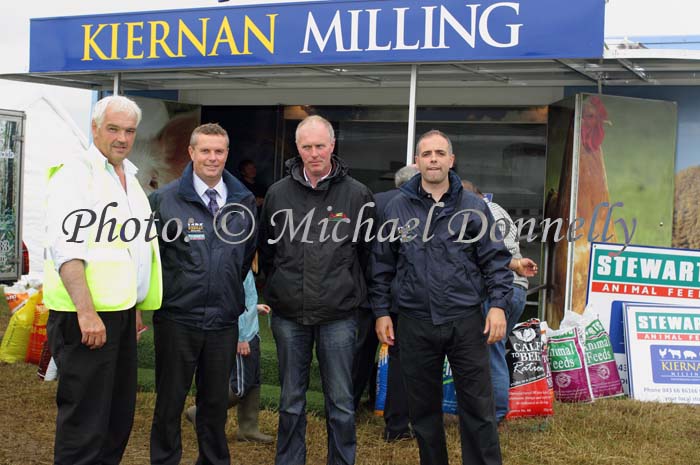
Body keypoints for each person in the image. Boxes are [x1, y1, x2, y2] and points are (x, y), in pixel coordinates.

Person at [371, 130, 513, 465]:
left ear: (451, 160)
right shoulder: (396, 207)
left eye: (439, 153)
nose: (433, 159)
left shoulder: (474, 207)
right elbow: (381, 265)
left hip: (465, 321)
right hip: (415, 320)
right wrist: (381, 311)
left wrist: (497, 306)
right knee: (423, 409)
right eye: (426, 154)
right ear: (417, 162)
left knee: (478, 406)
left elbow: (496, 261)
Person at [44, 95, 162, 465]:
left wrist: (136, 305)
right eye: (113, 129)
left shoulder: (130, 177)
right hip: (88, 317)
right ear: (94, 128)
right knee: (85, 422)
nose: (122, 138)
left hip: (121, 314)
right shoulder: (76, 174)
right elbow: (67, 250)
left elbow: (132, 250)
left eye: (129, 130)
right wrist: (86, 312)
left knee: (116, 417)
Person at [258, 115, 375, 465]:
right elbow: (267, 251)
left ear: (332, 146)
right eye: (307, 147)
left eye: (320, 145)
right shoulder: (278, 194)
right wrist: (280, 286)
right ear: (297, 148)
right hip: (289, 315)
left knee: (340, 402)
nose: (314, 153)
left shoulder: (357, 194)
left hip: (339, 316)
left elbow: (369, 254)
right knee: (291, 401)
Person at [149, 123, 257, 465]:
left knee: (213, 405)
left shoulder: (244, 201)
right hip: (177, 318)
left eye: (219, 151)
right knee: (170, 401)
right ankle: (165, 459)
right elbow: (153, 259)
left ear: (227, 154)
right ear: (191, 152)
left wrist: (225, 293)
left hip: (222, 320)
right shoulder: (163, 200)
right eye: (205, 150)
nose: (213, 158)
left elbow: (243, 258)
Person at [462, 180, 539, 423]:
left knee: (490, 351)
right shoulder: (499, 209)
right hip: (516, 289)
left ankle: (494, 415)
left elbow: (496, 255)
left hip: (500, 289)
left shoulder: (481, 214)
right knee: (495, 347)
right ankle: (494, 412)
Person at [352, 165, 417, 441]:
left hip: (368, 290)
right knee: (400, 359)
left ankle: (347, 409)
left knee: (360, 354)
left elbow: (358, 245)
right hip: (403, 295)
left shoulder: (373, 201)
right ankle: (397, 425)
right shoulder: (418, 205)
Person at [185, 268, 274, 444]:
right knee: (240, 386)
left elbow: (247, 299)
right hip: (243, 336)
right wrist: (241, 338)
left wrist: (255, 308)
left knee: (253, 381)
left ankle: (249, 429)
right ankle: (201, 412)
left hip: (251, 333)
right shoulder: (238, 266)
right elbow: (233, 302)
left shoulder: (246, 267)